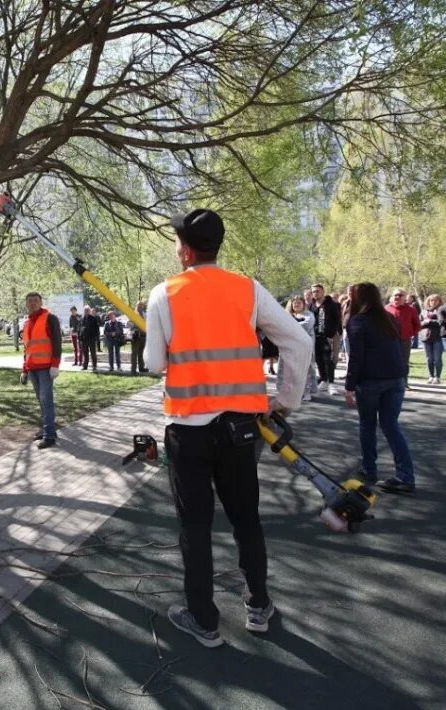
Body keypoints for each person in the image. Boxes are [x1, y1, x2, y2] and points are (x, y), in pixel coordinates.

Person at [146, 208, 312, 648]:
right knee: (245, 519)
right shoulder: (247, 289)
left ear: (184, 249)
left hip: (188, 431)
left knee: (194, 527)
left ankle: (204, 619)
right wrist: (286, 400)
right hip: (241, 430)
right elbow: (298, 340)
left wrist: (163, 339)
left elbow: (153, 364)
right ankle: (258, 605)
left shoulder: (164, 293)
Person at [344, 283, 416, 494]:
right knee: (390, 425)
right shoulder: (389, 318)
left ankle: (369, 469)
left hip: (371, 380)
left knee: (367, 425)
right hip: (395, 378)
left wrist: (349, 386)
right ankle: (405, 475)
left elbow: (356, 357)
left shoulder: (357, 322)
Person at [22, 292, 62, 448]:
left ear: (41, 302)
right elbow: (27, 349)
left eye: (35, 301)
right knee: (41, 401)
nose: (32, 303)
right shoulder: (27, 323)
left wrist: (55, 365)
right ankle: (47, 429)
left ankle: (49, 436)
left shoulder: (50, 318)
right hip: (32, 368)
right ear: (26, 304)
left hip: (46, 368)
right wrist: (24, 369)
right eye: (30, 301)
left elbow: (57, 342)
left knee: (46, 401)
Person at [281, 295, 316, 402]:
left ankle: (306, 392)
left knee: (305, 370)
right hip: (290, 346)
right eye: (294, 302)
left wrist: (290, 325)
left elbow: (306, 326)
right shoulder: (286, 315)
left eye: (299, 302)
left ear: (303, 304)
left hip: (304, 346)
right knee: (290, 370)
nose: (296, 304)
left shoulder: (309, 315)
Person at [385, 288, 421, 387]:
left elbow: (417, 324)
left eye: (400, 295)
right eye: (395, 295)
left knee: (404, 362)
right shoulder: (386, 309)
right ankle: (389, 381)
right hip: (389, 340)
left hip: (404, 340)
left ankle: (403, 382)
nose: (397, 297)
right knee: (389, 360)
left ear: (405, 298)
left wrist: (409, 333)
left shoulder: (411, 310)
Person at [309, 283, 341, 394]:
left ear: (323, 291)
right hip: (315, 336)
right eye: (313, 291)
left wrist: (331, 335)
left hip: (327, 337)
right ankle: (323, 380)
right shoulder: (311, 305)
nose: (315, 293)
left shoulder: (331, 305)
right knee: (318, 359)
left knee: (328, 360)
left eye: (317, 291)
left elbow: (336, 320)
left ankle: (331, 383)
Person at [419, 294, 444, 384]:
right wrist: (424, 322)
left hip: (437, 337)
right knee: (429, 358)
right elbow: (419, 323)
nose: (433, 302)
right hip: (425, 337)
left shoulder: (441, 310)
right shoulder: (424, 311)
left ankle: (437, 377)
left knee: (437, 358)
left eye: (436, 300)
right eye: (431, 300)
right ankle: (431, 376)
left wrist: (429, 321)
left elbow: (441, 322)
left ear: (439, 301)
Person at [130, 301, 148, 373]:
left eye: (141, 305)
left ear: (143, 306)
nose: (140, 306)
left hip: (143, 336)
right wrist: (135, 327)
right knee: (134, 353)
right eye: (139, 305)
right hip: (136, 336)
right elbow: (129, 324)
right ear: (136, 306)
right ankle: (133, 369)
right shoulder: (132, 314)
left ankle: (141, 368)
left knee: (141, 353)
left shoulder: (145, 314)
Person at [80, 306, 100, 371]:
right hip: (84, 339)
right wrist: (80, 337)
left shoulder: (93, 319)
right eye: (85, 310)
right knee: (85, 353)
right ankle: (85, 366)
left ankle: (94, 365)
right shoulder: (82, 319)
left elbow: (97, 329)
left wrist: (95, 337)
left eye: (87, 310)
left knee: (93, 353)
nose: (86, 312)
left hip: (91, 339)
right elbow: (80, 329)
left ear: (89, 311)